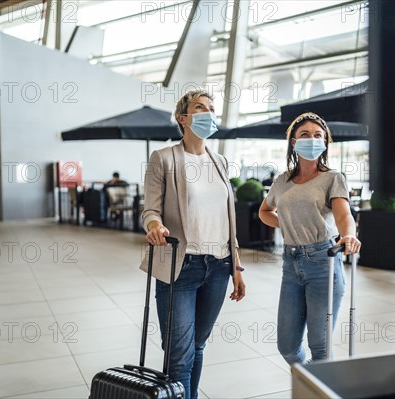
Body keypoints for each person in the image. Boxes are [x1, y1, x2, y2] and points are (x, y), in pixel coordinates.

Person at [141, 89, 246, 399]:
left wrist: (236, 266)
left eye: (212, 108)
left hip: (219, 266)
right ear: (182, 118)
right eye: (200, 107)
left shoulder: (221, 162)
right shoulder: (164, 158)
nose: (209, 113)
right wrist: (154, 224)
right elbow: (150, 209)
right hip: (181, 266)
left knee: (197, 346)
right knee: (178, 355)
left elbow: (228, 219)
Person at [258, 112, 361, 365]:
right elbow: (265, 211)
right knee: (287, 347)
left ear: (325, 142)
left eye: (318, 135)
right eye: (305, 134)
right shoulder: (282, 180)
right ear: (294, 142)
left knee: (320, 348)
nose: (312, 139)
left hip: (323, 263)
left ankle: (317, 390)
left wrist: (349, 235)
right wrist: (290, 222)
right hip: (290, 264)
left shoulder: (333, 178)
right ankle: (309, 381)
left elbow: (343, 214)